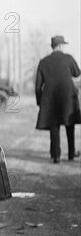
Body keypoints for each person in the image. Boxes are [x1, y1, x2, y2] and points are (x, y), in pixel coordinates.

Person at [35, 35, 81, 163]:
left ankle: (56, 156)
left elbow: (38, 85)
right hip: (68, 98)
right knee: (69, 125)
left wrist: (40, 102)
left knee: (54, 126)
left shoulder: (43, 62)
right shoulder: (68, 58)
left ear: (53, 46)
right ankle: (71, 154)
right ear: (61, 46)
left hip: (50, 100)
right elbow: (77, 73)